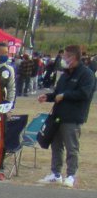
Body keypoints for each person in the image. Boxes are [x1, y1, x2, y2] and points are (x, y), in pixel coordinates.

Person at [38, 44, 94, 186]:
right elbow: (57, 93)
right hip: (58, 115)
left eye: (66, 56)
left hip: (73, 117)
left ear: (73, 57)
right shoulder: (64, 75)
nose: (63, 59)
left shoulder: (86, 74)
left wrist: (65, 95)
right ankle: (55, 173)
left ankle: (71, 175)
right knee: (56, 146)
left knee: (71, 147)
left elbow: (84, 93)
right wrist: (48, 97)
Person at [0, 42, 16, 108]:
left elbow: (11, 88)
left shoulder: (9, 69)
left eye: (6, 53)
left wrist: (9, 106)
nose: (6, 55)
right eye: (3, 53)